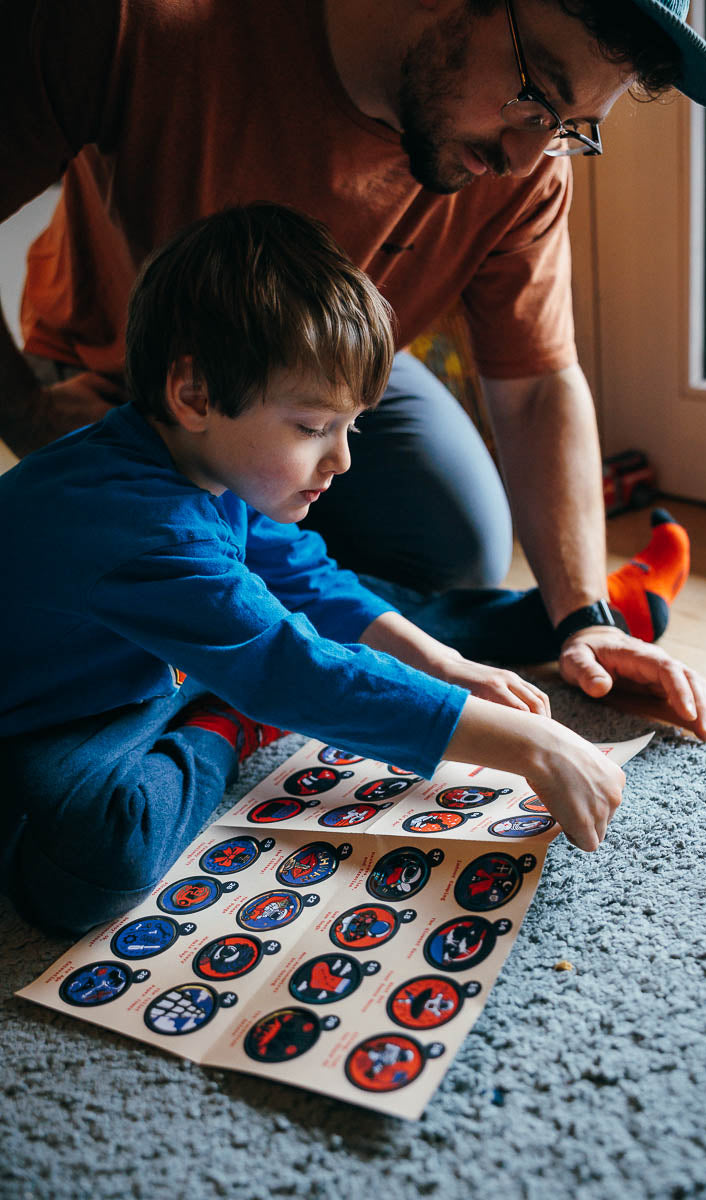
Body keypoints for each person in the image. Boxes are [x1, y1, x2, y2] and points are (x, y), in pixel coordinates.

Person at [0, 0, 706, 738]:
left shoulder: (524, 170)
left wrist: (583, 617)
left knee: (460, 545)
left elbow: (539, 382)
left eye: (571, 129)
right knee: (186, 546)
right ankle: (489, 625)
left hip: (336, 376)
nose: (524, 155)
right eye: (537, 93)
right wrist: (23, 410)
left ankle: (564, 611)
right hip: (120, 378)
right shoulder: (135, 20)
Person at [0, 203, 628, 936]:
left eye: (350, 426)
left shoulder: (196, 459)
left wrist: (445, 664)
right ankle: (231, 716)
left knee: (307, 595)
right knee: (92, 864)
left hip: (165, 654)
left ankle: (533, 618)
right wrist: (532, 744)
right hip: (66, 714)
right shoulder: (139, 527)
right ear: (194, 394)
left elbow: (301, 574)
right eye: (311, 428)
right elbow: (299, 671)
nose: (342, 460)